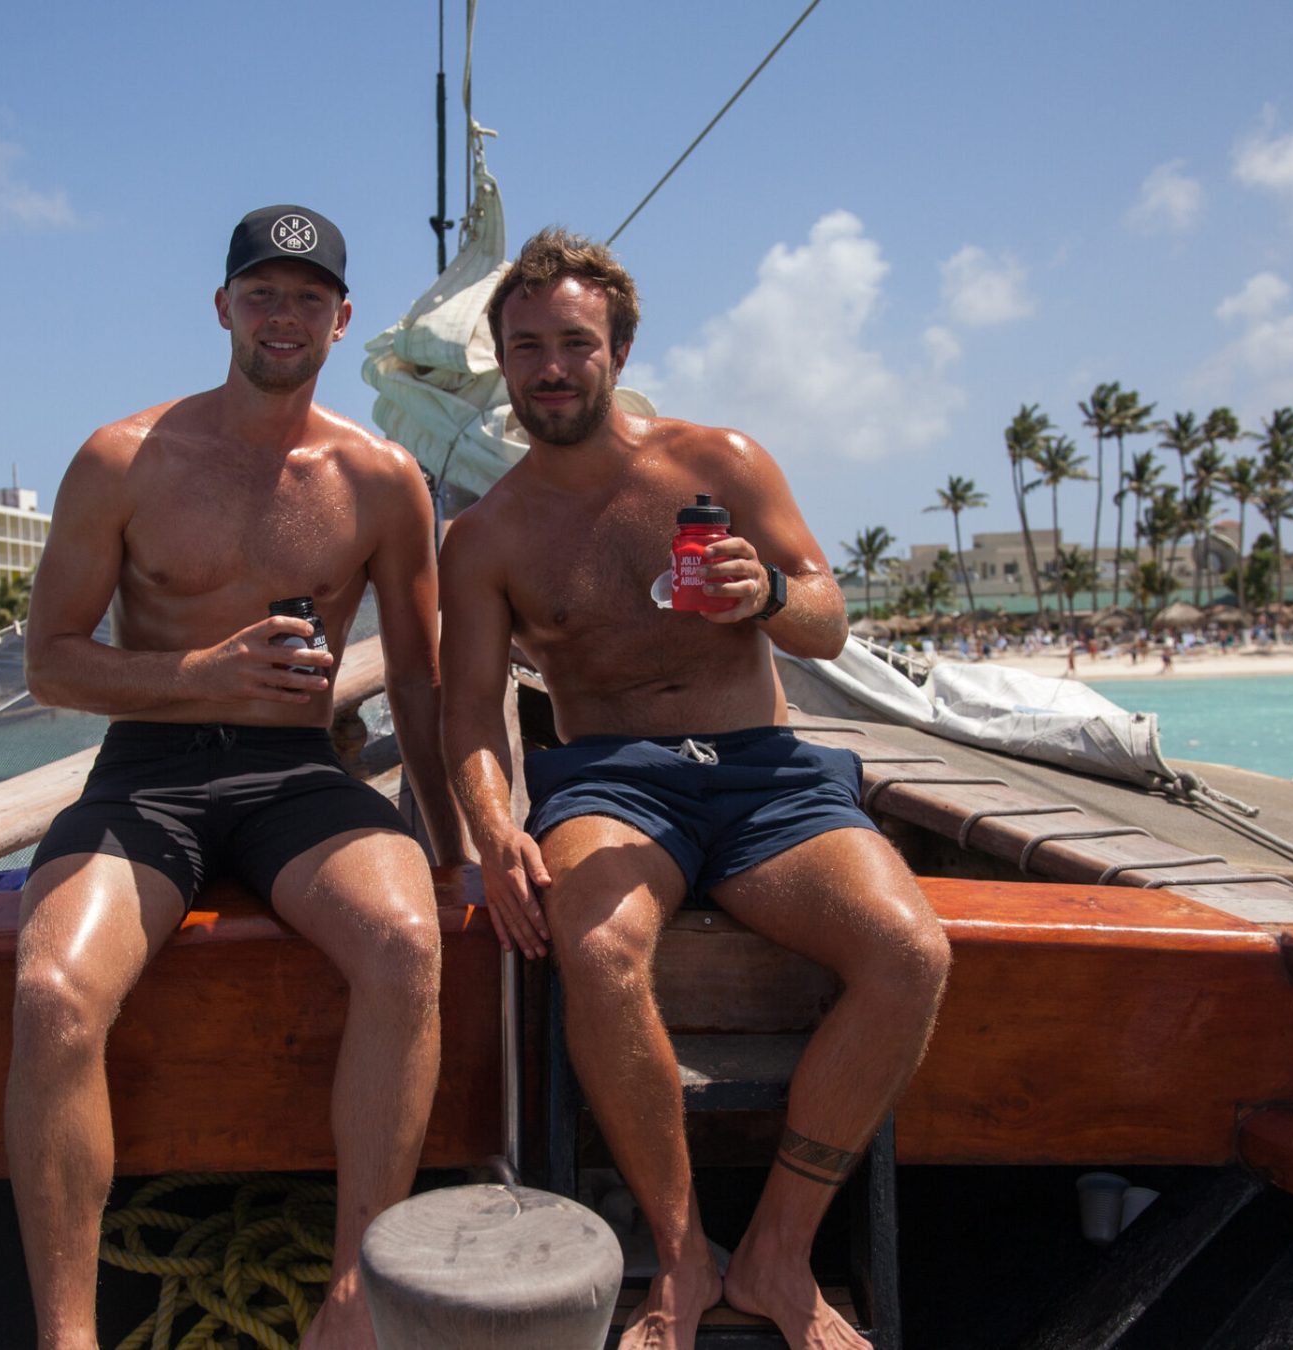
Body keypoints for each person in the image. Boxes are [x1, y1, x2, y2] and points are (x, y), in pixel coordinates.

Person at [439, 228, 950, 1350]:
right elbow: (469, 712)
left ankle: (776, 1253)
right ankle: (679, 1255)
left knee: (910, 953)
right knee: (597, 947)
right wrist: (493, 828)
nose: (551, 368)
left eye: (575, 343)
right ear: (501, 362)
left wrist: (764, 594)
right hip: (613, 783)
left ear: (619, 349)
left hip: (765, 776)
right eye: (526, 347)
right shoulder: (485, 538)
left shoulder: (721, 461)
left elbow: (827, 620)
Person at [11, 204, 461, 1350]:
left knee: (407, 945)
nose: (282, 316)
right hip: (147, 775)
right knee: (54, 994)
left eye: (308, 298)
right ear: (222, 307)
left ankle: (356, 1298)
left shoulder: (382, 479)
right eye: (262, 294)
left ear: (342, 321)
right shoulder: (123, 459)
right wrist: (200, 673)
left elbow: (419, 682)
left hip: (296, 776)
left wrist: (454, 845)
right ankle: (67, 1336)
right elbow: (50, 663)